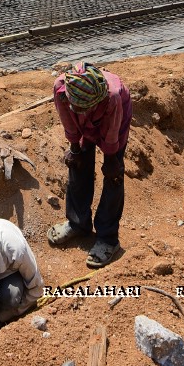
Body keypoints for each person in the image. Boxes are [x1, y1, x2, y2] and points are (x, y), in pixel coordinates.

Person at [47, 61, 131, 269]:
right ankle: (78, 223)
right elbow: (68, 121)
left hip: (114, 121)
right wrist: (75, 148)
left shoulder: (112, 97)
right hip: (81, 124)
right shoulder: (61, 91)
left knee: (114, 175)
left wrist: (111, 160)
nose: (86, 110)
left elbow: (111, 133)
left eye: (89, 107)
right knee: (77, 164)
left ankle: (108, 237)